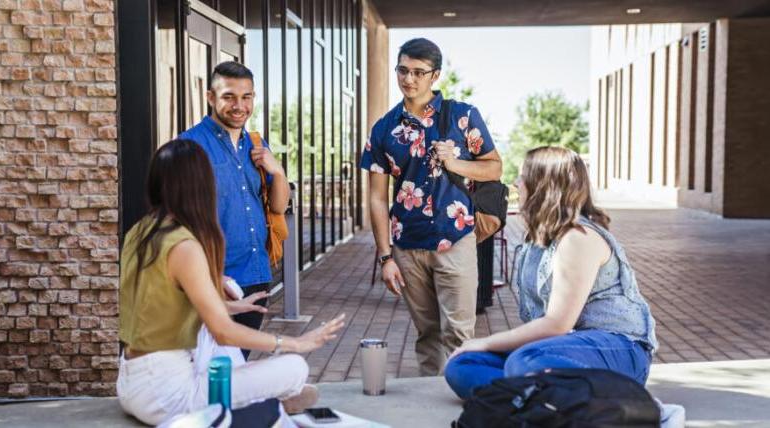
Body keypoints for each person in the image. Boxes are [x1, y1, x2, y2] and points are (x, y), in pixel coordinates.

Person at [117, 139, 345, 425]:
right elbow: (224, 332)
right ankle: (265, 400)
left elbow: (157, 305)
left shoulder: (140, 231)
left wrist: (229, 306)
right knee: (295, 367)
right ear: (201, 186)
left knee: (212, 338)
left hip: (131, 382)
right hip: (168, 396)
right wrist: (295, 342)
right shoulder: (184, 246)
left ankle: (259, 397)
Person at [444, 146, 658, 400]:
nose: (515, 183)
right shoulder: (539, 238)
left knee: (525, 362)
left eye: (523, 176)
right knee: (463, 365)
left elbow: (557, 324)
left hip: (619, 349)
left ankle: (622, 406)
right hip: (559, 351)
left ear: (542, 186)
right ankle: (543, 402)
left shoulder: (578, 238)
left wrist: (485, 341)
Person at [361, 38, 502, 376]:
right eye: (403, 70)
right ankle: (432, 408)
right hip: (407, 247)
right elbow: (378, 198)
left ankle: (460, 402)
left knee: (459, 334)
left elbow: (494, 168)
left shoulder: (463, 116)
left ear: (435, 75)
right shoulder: (383, 129)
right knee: (428, 335)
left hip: (455, 239)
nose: (409, 79)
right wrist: (385, 257)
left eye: (418, 73)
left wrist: (456, 164)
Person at [179, 61, 288, 358]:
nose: (239, 106)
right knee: (208, 364)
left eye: (246, 97)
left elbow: (279, 206)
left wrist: (277, 172)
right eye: (229, 97)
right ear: (211, 97)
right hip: (214, 277)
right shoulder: (189, 146)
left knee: (238, 362)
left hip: (255, 274)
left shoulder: (256, 144)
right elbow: (177, 221)